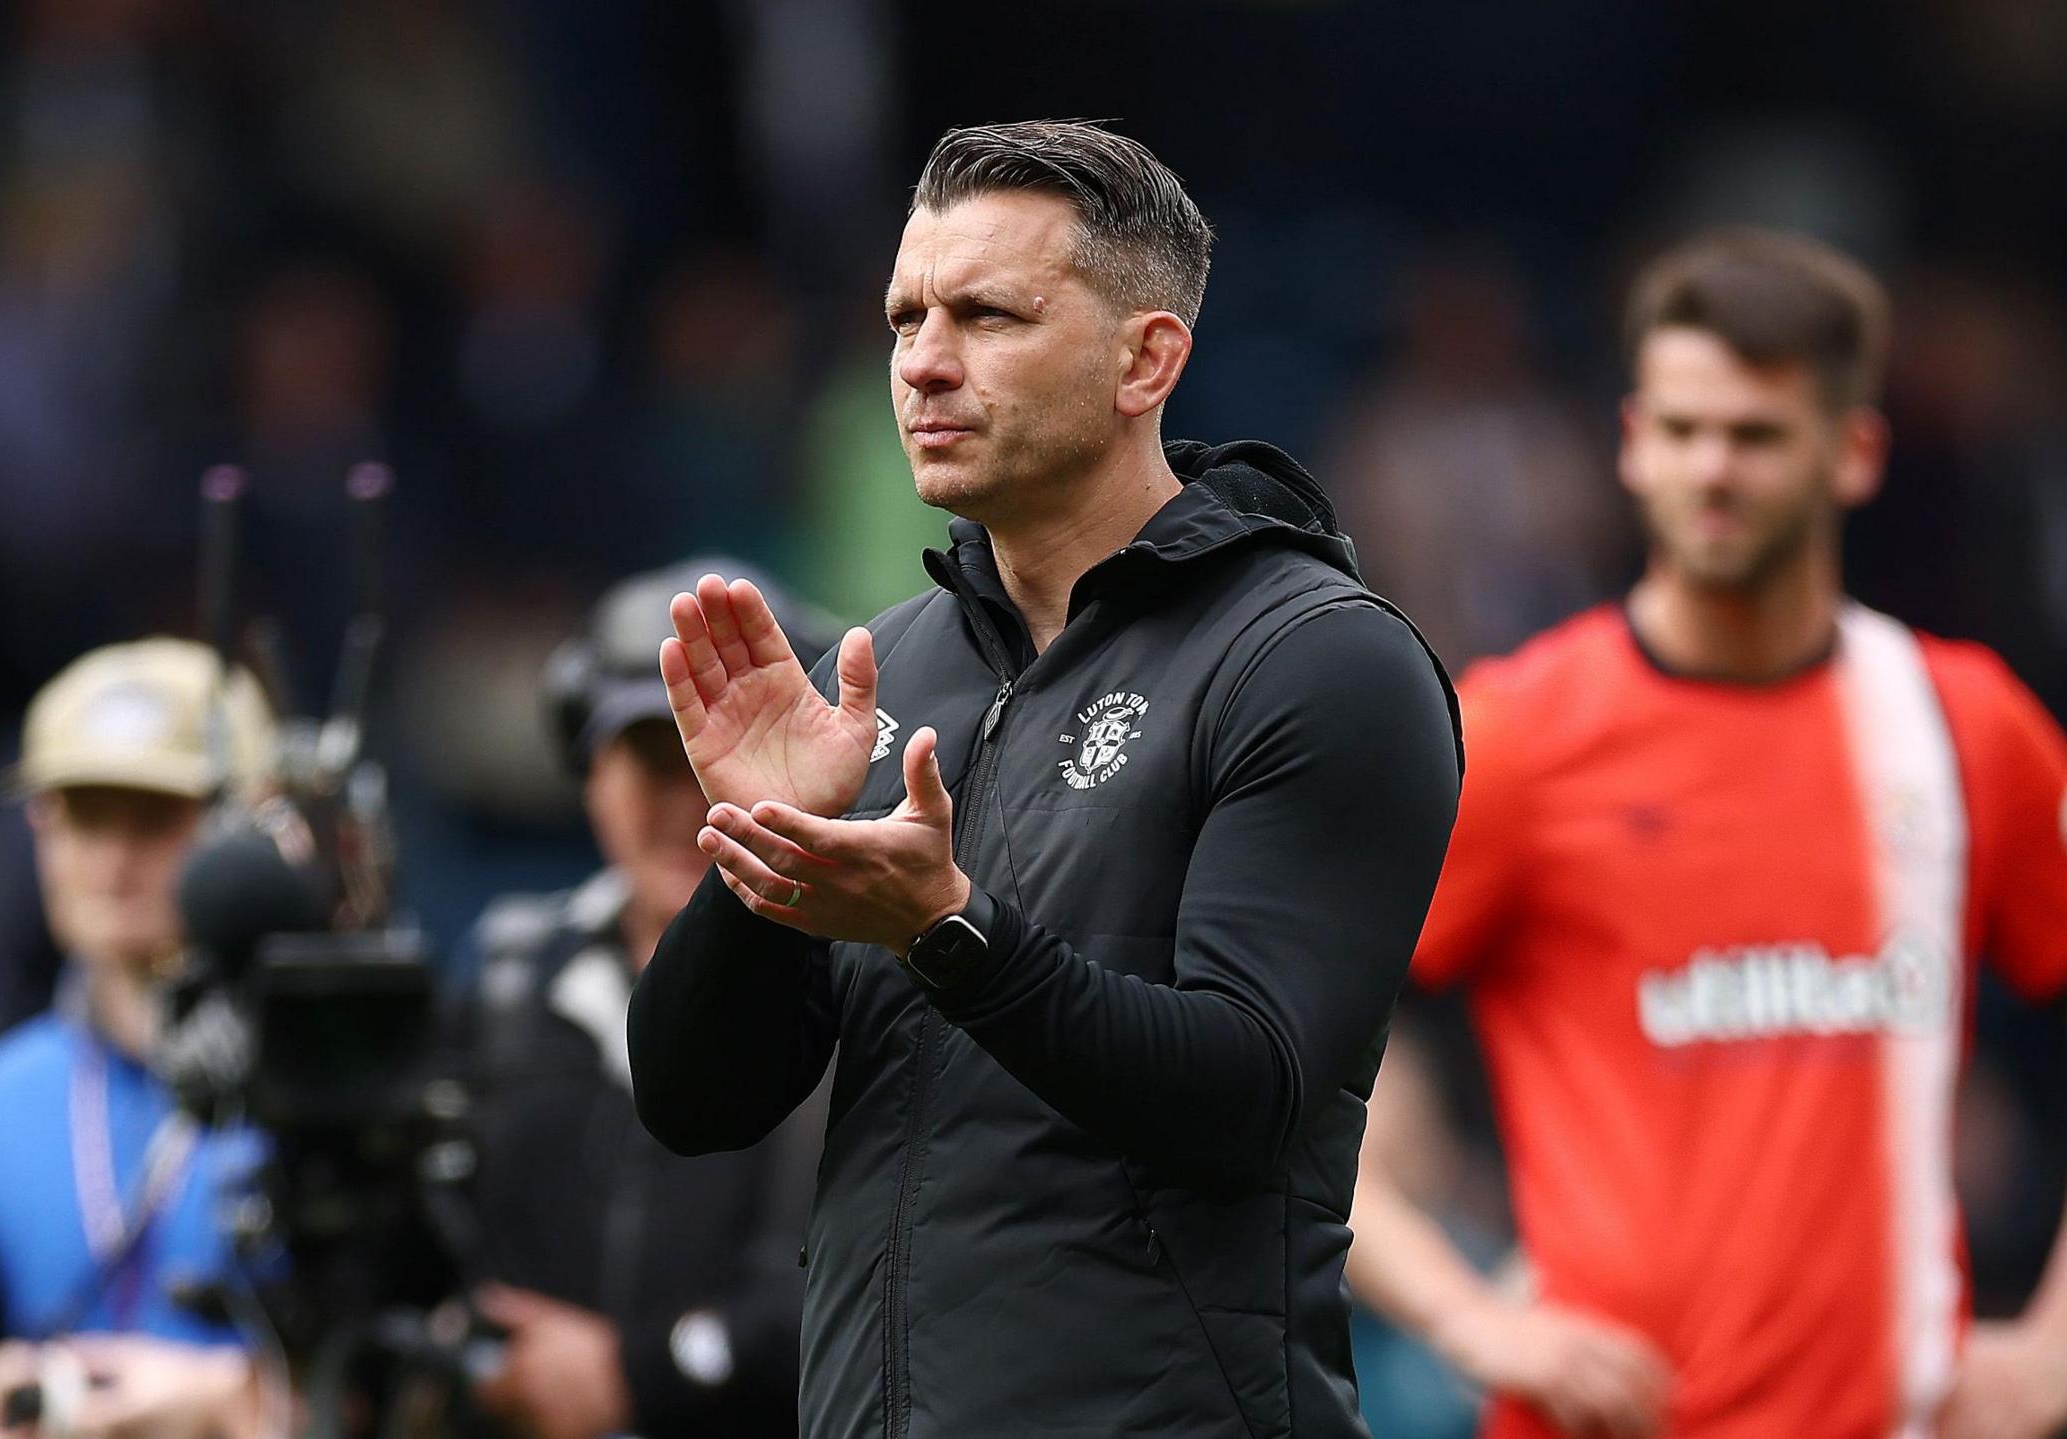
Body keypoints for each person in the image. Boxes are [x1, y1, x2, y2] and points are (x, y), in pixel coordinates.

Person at [626, 119, 1463, 1438]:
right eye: (905, 319)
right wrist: (761, 844)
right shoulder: (883, 667)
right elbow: (693, 1100)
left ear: (1147, 359)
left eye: (987, 315)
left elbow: (1250, 1095)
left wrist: (948, 933)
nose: (923, 365)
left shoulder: (1315, 657)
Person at [1345, 229, 2067, 1439]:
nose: (1711, 469)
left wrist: (2063, 1344)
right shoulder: (1517, 736)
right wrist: (1462, 1313)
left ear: (1853, 452)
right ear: (1630, 442)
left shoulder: (1957, 723)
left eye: (1755, 434)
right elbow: (1270, 1059)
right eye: (1680, 428)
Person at [461, 558, 835, 1439]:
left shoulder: (857, 981)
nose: (692, 799)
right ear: (586, 768)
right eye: (654, 757)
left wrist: (637, 1374)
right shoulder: (512, 977)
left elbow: (877, 1295)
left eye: (723, 755)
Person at [0, 639, 279, 1439]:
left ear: (254, 822)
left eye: (158, 819)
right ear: (40, 823)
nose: (111, 859)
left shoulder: (337, 1073)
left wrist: (234, 1401)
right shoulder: (3, 1094)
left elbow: (452, 1385)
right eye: (84, 815)